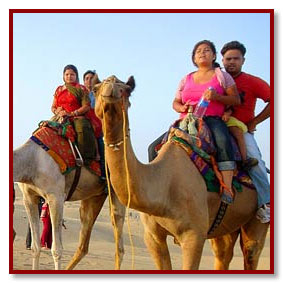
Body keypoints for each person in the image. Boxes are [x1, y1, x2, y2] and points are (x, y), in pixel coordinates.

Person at [172, 40, 240, 204]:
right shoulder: (186, 79)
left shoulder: (222, 75)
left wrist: (217, 97)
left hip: (212, 119)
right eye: (198, 51)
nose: (202, 53)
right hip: (186, 121)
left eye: (207, 50)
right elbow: (175, 103)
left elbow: (236, 99)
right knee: (155, 147)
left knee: (223, 142)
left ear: (214, 55)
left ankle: (227, 186)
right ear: (194, 58)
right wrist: (182, 107)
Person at [221, 41, 270, 223]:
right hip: (215, 126)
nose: (231, 62)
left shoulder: (253, 82)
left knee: (255, 161)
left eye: (236, 58)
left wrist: (254, 121)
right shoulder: (218, 79)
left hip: (242, 130)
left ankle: (267, 204)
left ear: (243, 60)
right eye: (228, 59)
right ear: (222, 60)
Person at [51, 64, 99, 165]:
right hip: (60, 117)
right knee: (46, 127)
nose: (69, 77)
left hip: (77, 117)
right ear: (63, 76)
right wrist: (57, 112)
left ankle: (85, 158)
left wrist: (71, 113)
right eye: (67, 74)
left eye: (72, 74)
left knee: (82, 128)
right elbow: (53, 107)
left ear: (76, 76)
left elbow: (86, 106)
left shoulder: (81, 88)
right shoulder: (59, 89)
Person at [83, 70, 106, 179]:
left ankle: (105, 178)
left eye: (91, 78)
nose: (89, 81)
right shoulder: (80, 94)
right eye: (86, 79)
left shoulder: (98, 96)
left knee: (101, 151)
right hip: (82, 124)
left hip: (95, 126)